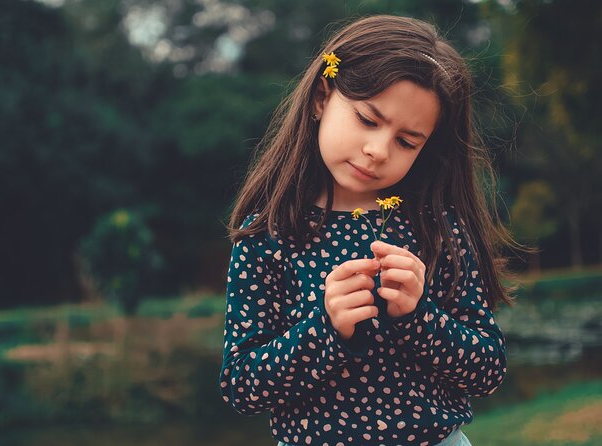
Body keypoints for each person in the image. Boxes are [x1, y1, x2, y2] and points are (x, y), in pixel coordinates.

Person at [219, 14, 521, 446]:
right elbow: (242, 387)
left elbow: (488, 371)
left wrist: (420, 316)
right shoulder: (269, 235)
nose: (378, 150)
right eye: (367, 119)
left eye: (406, 141)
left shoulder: (437, 228)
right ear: (323, 97)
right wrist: (325, 329)